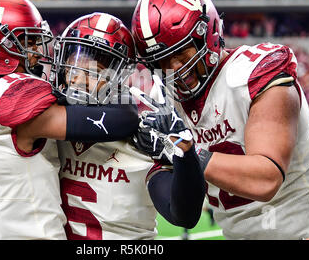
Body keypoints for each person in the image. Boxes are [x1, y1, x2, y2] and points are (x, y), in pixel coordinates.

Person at [130, 0, 309, 239]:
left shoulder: (255, 72)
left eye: (182, 55)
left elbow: (266, 178)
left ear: (208, 34)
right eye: (162, 62)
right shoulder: (165, 103)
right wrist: (165, 161)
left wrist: (186, 152)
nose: (176, 71)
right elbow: (184, 214)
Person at [0, 0, 139, 240]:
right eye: (26, 42)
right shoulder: (11, 94)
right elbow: (120, 122)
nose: (35, 52)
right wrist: (120, 89)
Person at [52, 12, 205, 239]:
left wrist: (185, 152)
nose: (77, 79)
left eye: (92, 71)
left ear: (117, 79)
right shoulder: (46, 127)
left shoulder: (143, 139)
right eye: (73, 67)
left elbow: (183, 215)